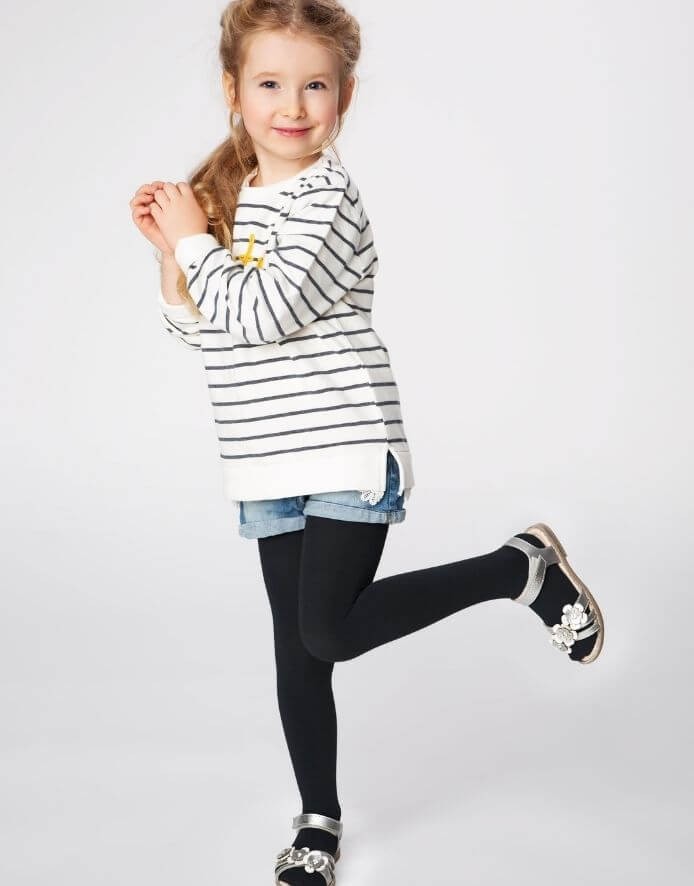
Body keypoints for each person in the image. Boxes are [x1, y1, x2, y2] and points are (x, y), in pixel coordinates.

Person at [129, 2, 605, 883]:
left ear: (344, 96)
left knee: (330, 631)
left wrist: (193, 241)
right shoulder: (234, 199)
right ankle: (318, 821)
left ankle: (517, 569)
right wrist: (172, 254)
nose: (293, 105)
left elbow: (262, 315)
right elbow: (205, 332)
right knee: (298, 655)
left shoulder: (327, 199)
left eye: (315, 84)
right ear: (234, 91)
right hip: (264, 464)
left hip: (344, 449)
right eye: (270, 83)